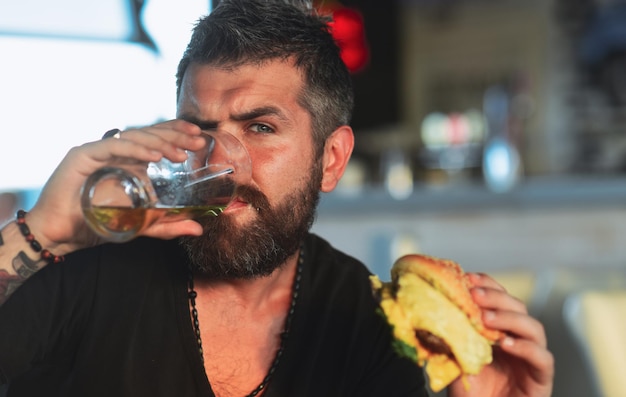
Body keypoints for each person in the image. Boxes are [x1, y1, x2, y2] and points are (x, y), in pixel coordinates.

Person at [0, 1, 554, 396]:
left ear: (331, 159)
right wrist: (39, 233)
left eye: (261, 128)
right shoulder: (86, 270)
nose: (223, 163)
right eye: (200, 131)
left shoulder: (366, 318)